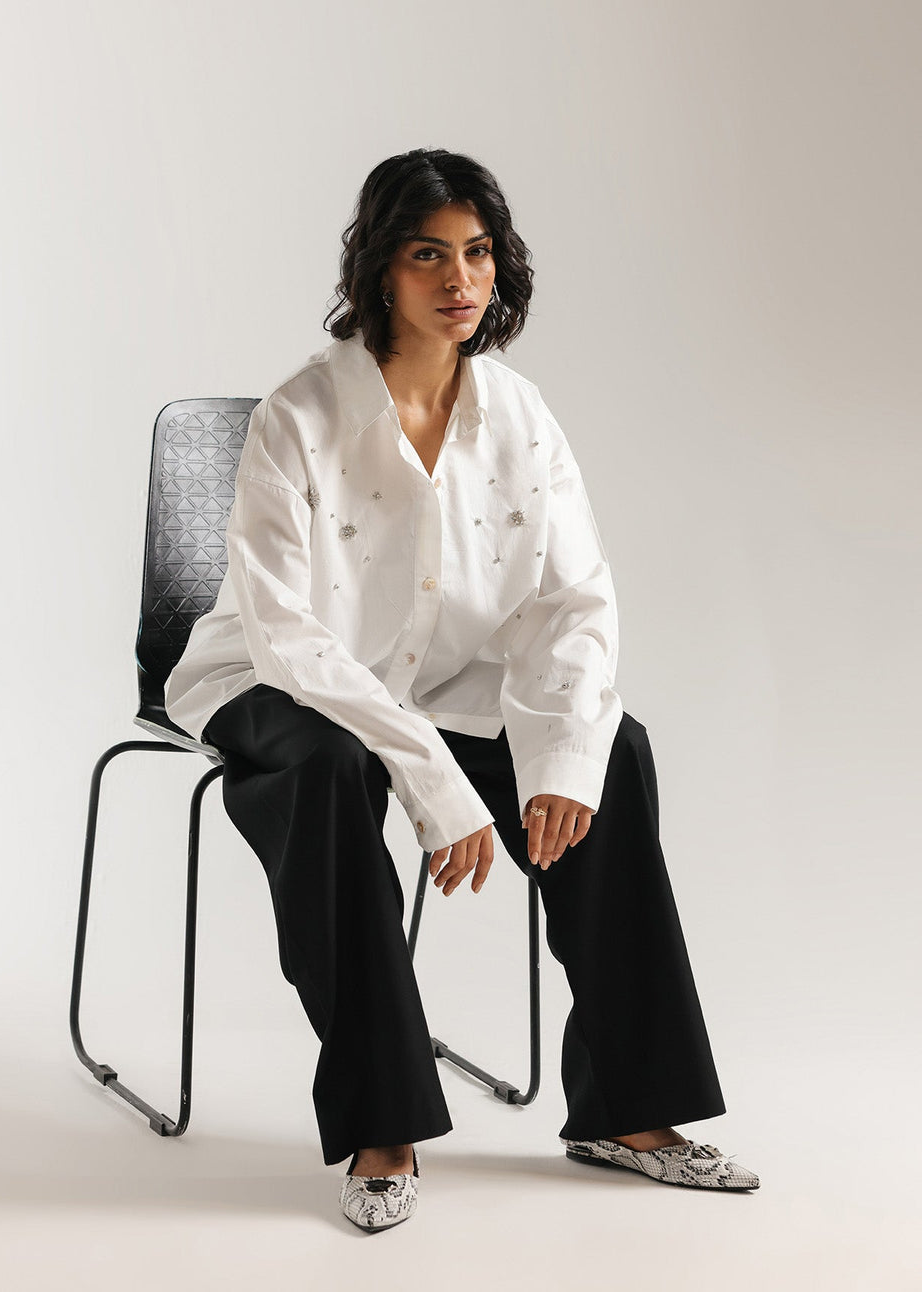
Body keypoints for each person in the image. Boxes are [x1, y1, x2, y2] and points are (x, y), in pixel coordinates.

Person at [164, 148, 759, 1232]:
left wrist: (562, 753)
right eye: (427, 254)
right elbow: (290, 634)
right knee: (334, 768)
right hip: (273, 678)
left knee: (614, 748)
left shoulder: (519, 414)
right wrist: (436, 784)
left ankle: (628, 1112)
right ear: (379, 269)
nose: (459, 279)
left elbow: (573, 597)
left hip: (441, 683)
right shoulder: (299, 416)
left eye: (477, 253)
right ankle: (381, 1123)